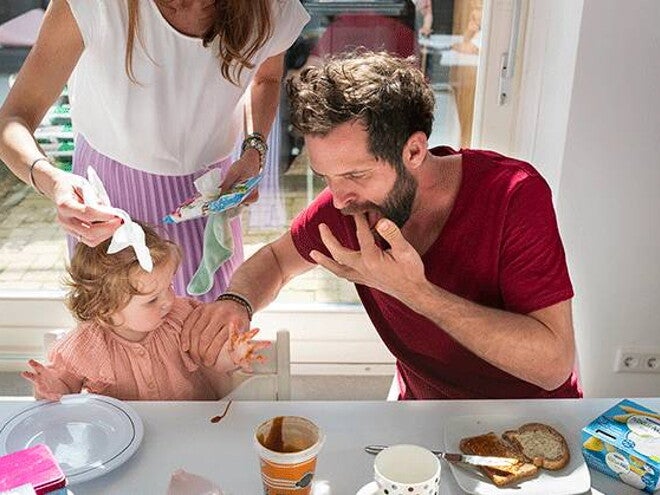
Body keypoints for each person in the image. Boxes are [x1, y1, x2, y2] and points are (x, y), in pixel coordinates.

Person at [183, 51, 582, 401]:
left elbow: (552, 366)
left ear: (414, 150)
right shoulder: (351, 207)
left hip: (530, 414)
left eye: (355, 175)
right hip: (422, 414)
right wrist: (237, 302)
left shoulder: (513, 195)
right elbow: (276, 260)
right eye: (326, 177)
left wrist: (415, 293)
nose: (338, 199)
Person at [0, 0, 310, 302]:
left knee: (210, 337)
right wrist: (53, 181)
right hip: (108, 207)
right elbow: (13, 119)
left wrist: (253, 150)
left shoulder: (268, 6)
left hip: (208, 203)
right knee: (120, 345)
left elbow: (266, 78)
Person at [22, 223, 268, 401]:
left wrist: (232, 353)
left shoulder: (183, 317)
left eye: (169, 285)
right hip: (123, 441)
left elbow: (212, 359)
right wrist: (52, 385)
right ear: (107, 310)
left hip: (192, 428)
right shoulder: (86, 345)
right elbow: (65, 387)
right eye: (152, 300)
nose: (168, 300)